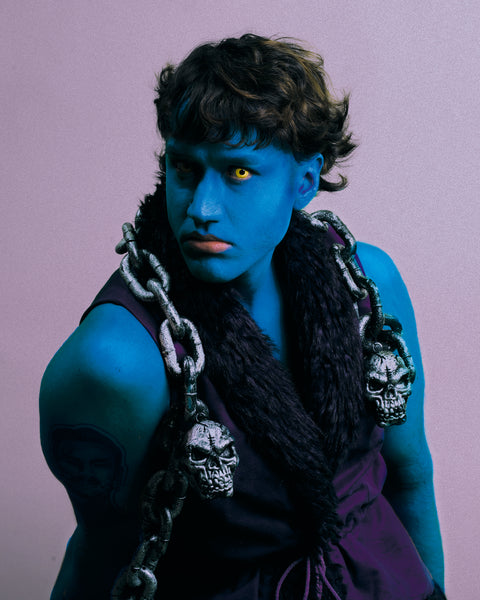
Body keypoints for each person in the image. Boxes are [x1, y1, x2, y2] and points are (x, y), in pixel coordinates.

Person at [40, 34, 446, 599]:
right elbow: (99, 552)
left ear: (305, 181)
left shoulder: (368, 285)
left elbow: (410, 475)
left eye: (239, 173)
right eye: (185, 167)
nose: (201, 210)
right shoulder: (114, 365)